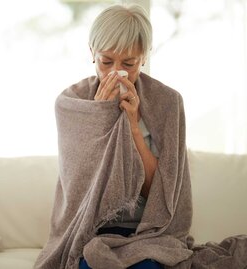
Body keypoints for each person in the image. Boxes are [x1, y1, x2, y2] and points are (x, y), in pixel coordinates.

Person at [34, 3, 193, 269]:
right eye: (106, 61)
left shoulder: (168, 103)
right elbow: (79, 189)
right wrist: (99, 119)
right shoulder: (71, 103)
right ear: (91, 53)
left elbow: (163, 193)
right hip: (89, 230)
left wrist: (132, 127)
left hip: (148, 233)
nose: (115, 72)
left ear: (144, 57)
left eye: (129, 63)